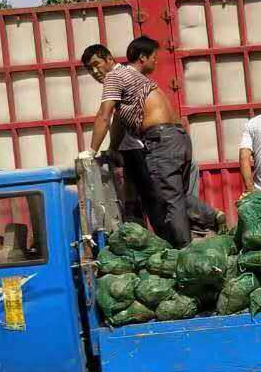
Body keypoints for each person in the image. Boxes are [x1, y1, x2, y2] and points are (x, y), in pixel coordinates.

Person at [81, 38, 223, 248]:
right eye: (89, 69)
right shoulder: (133, 76)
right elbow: (119, 121)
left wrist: (91, 152)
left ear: (109, 59)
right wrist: (112, 149)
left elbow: (105, 115)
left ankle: (183, 250)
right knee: (175, 194)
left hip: (161, 139)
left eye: (96, 65)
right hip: (178, 137)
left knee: (168, 199)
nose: (94, 72)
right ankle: (213, 217)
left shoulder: (114, 76)